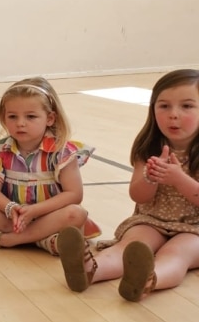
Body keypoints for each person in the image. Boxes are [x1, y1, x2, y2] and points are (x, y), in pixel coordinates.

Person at [58, 69, 199, 302]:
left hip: (195, 229)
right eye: (164, 106)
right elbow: (138, 196)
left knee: (175, 254)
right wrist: (150, 178)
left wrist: (178, 178)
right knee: (129, 246)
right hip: (153, 219)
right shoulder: (149, 145)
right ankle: (88, 270)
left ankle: (148, 279)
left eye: (187, 106)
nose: (173, 114)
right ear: (153, 109)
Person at [0, 77, 96, 253]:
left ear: (50, 118)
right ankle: (42, 239)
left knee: (76, 213)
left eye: (31, 116)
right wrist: (11, 208)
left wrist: (34, 211)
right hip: (14, 217)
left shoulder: (62, 152)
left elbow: (74, 194)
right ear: (4, 118)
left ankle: (6, 240)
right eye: (12, 116)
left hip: (50, 216)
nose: (20, 123)